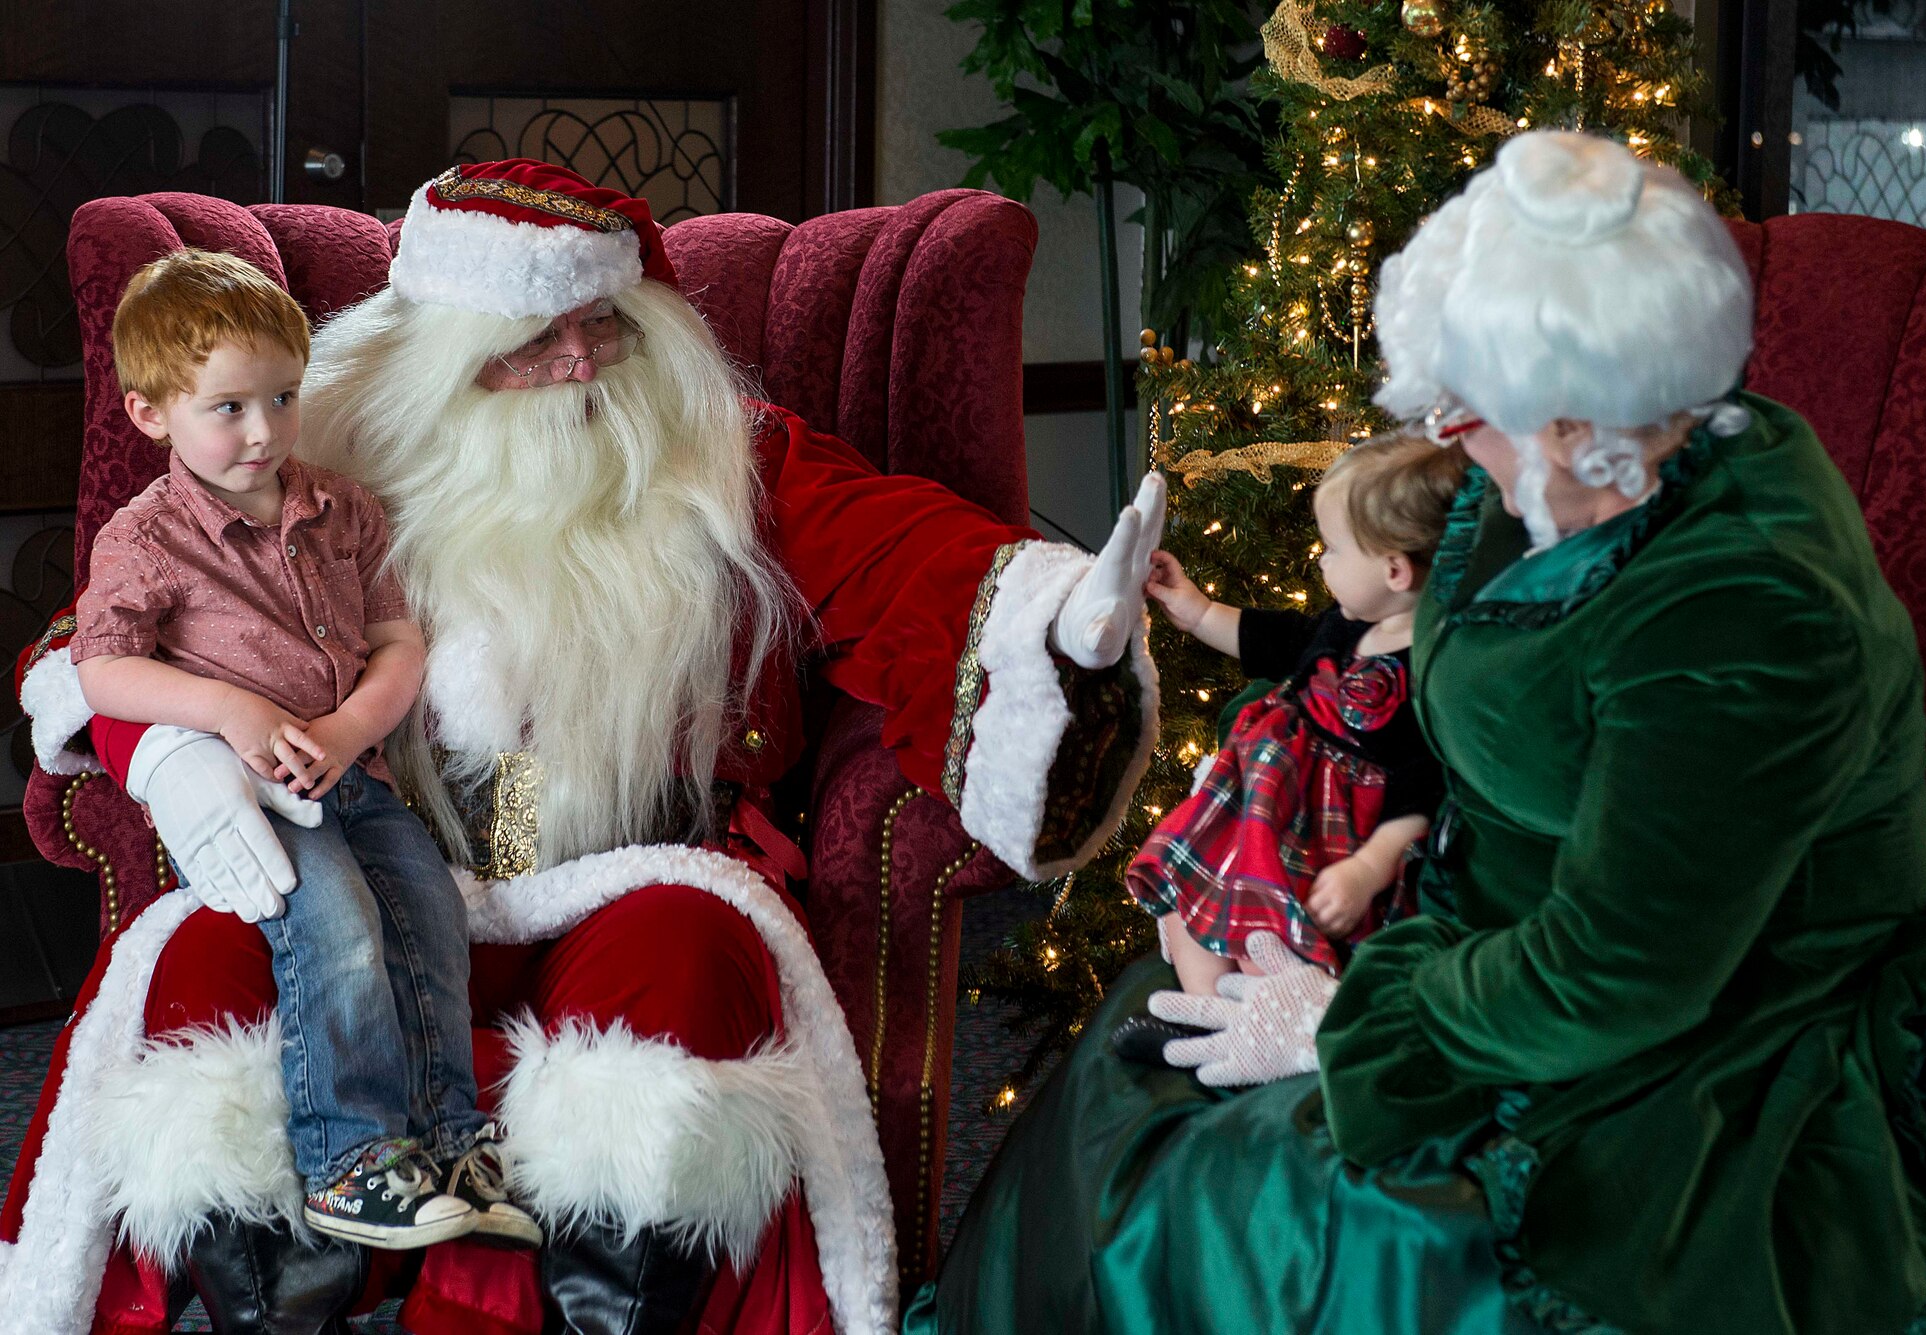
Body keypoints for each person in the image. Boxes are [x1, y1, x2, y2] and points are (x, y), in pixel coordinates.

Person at [4, 161, 1165, 1334]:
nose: (576, 363)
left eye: (602, 326)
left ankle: (574, 1299)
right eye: (530, 338)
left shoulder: (720, 458)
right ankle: (285, 1281)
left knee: (684, 960)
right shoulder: (317, 456)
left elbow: (902, 556)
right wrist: (170, 752)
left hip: (634, 856)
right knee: (209, 960)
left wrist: (1053, 615)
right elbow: (101, 637)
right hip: (378, 841)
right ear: (442, 355)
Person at [907, 130, 1926, 1335]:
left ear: (1580, 416)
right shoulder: (1536, 476)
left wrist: (1346, 1026)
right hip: (1463, 936)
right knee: (1139, 1061)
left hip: (1700, 1036)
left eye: (1467, 407)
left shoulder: (1749, 610)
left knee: (1277, 1205)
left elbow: (1618, 970)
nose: (1443, 434)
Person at [73, 249, 532, 1253]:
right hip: (265, 793)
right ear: (152, 413)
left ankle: (451, 1137)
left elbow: (399, 641)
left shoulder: (343, 507)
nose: (265, 430)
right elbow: (100, 669)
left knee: (432, 917)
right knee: (343, 930)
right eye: (230, 408)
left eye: (284, 398)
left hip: (374, 774)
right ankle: (350, 1158)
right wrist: (227, 710)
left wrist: (352, 727)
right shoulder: (145, 539)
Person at [1123, 435, 1462, 1028]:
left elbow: (1422, 786)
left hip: (1326, 843)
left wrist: (1369, 869)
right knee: (1184, 899)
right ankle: (1209, 1015)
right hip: (1263, 811)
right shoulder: (1350, 621)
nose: (1322, 561)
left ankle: (1262, 1021)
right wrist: (1197, 611)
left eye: (1333, 549)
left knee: (1268, 944)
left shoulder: (1434, 669)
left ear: (1394, 570)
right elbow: (1275, 639)